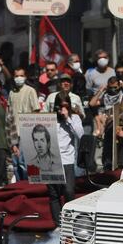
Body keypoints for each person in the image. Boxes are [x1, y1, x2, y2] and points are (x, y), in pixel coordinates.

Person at [48, 94, 83, 225]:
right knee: (54, 194)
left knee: (69, 190)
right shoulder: (50, 119)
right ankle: (58, 224)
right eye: (60, 106)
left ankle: (69, 221)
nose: (62, 109)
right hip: (51, 160)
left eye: (65, 106)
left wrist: (67, 118)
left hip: (67, 159)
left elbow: (80, 135)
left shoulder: (75, 118)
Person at [9, 66, 40, 181]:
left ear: (25, 77)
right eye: (16, 76)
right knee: (16, 164)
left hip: (27, 131)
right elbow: (10, 114)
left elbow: (36, 111)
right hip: (14, 132)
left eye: (21, 76)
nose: (19, 78)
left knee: (25, 162)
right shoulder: (12, 92)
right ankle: (19, 185)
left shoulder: (30, 90)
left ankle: (29, 184)